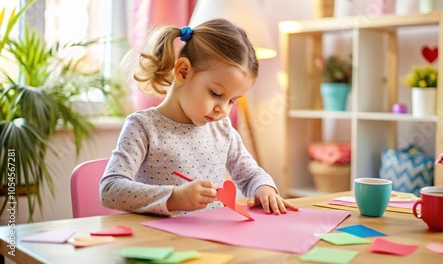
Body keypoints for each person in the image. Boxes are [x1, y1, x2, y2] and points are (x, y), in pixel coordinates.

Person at [100, 18, 298, 217]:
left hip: (209, 240)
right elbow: (110, 189)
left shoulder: (222, 129)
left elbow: (250, 175)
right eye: (216, 94)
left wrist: (264, 188)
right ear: (183, 72)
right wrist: (174, 197)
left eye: (232, 101)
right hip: (160, 241)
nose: (223, 110)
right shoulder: (143, 126)